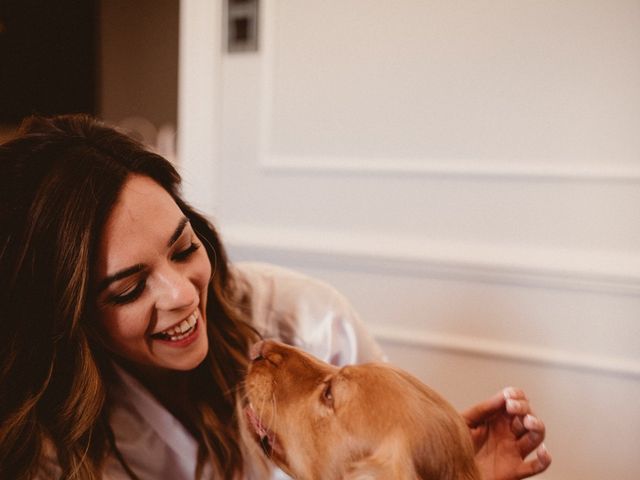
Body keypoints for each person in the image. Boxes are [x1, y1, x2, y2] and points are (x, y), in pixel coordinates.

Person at [0, 114, 551, 480]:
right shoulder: (43, 444)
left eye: (185, 247)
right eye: (129, 288)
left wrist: (455, 472)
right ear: (69, 316)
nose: (181, 293)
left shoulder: (309, 317)